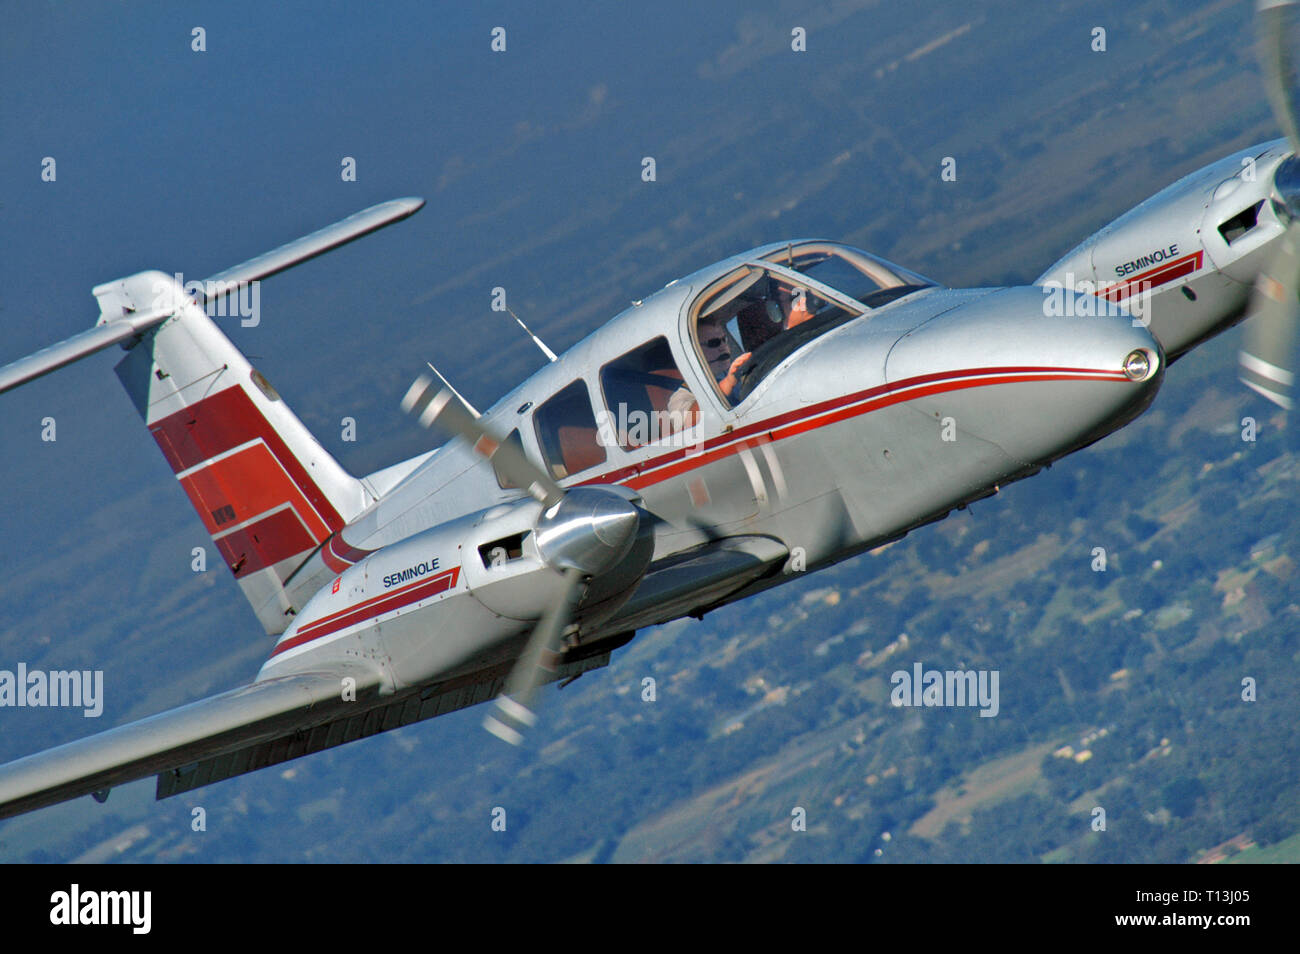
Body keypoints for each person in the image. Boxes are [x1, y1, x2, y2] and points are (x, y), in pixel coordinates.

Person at [665, 316, 750, 431]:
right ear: (694, 351)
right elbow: (690, 422)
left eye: (724, 340)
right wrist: (728, 384)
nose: (723, 347)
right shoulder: (681, 397)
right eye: (714, 343)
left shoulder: (736, 373)